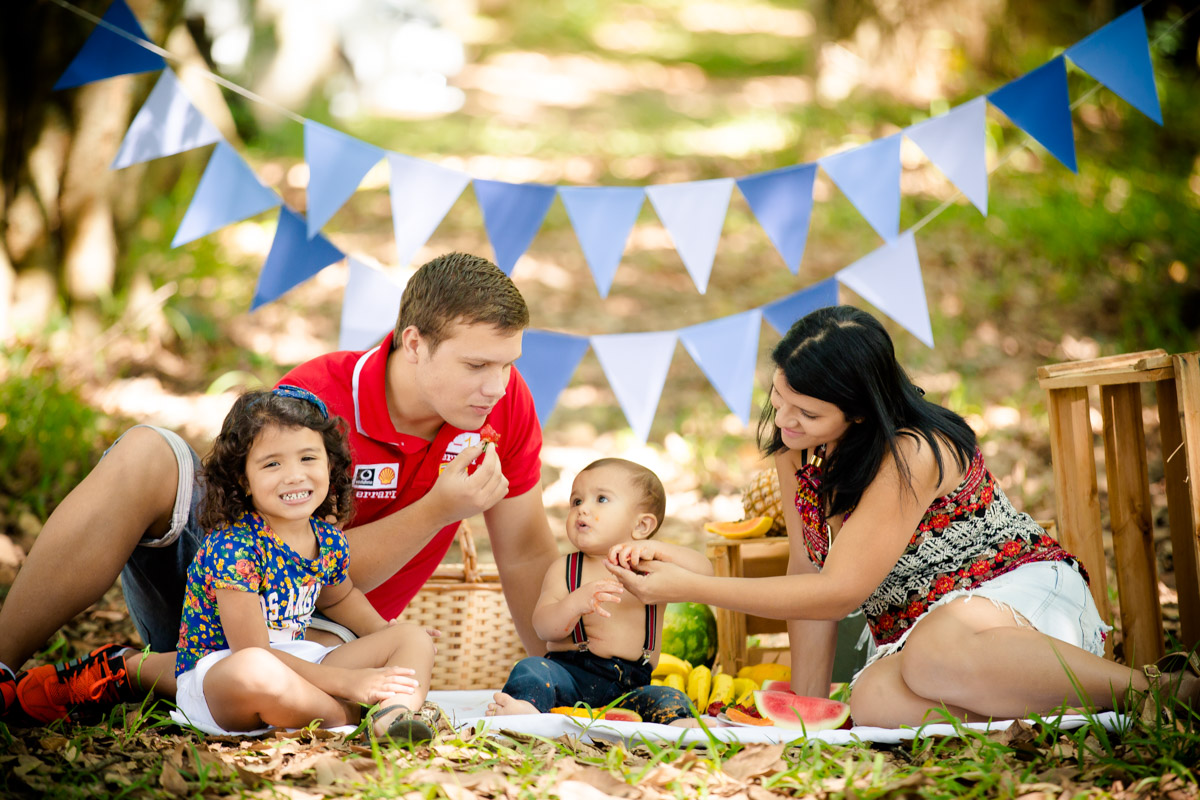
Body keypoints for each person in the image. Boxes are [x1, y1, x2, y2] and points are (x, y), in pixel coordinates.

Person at [2, 252, 559, 725]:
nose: (497, 386)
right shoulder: (315, 400)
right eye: (477, 364)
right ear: (414, 343)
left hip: (334, 640)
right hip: (224, 602)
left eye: (507, 365)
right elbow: (287, 559)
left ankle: (146, 675)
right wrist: (439, 509)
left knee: (354, 681)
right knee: (149, 450)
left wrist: (566, 684)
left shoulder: (503, 404)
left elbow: (527, 551)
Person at [604, 305, 1200, 727]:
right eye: (779, 399)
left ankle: (1153, 688)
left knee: (932, 654)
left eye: (806, 412)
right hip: (920, 635)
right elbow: (809, 566)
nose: (785, 423)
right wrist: (808, 704)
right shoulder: (799, 451)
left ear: (860, 413)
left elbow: (838, 593)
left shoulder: (912, 451)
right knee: (873, 703)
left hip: (1008, 598)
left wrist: (692, 587)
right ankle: (1070, 703)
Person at [170, 387, 438, 741]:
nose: (294, 475)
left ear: (330, 465)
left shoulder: (326, 539)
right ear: (242, 479)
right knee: (258, 670)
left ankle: (395, 714)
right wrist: (348, 681)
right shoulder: (234, 548)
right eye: (272, 464)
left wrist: (383, 633)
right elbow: (253, 651)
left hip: (300, 663)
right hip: (224, 677)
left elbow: (339, 599)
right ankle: (347, 713)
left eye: (308, 458)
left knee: (413, 637)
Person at [486, 458, 712, 725]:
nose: (583, 510)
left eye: (601, 499)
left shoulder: (653, 568)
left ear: (642, 526)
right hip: (570, 679)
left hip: (630, 687)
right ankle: (526, 708)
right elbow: (543, 628)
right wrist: (574, 604)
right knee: (532, 669)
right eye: (577, 501)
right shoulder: (565, 569)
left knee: (667, 695)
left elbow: (705, 573)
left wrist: (660, 551)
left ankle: (677, 722)